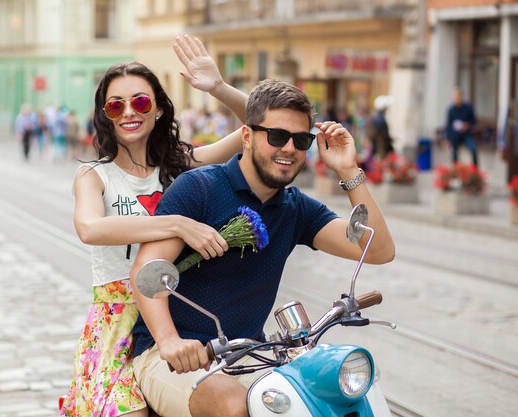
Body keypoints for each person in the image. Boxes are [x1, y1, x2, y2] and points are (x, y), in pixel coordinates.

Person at [130, 79, 396, 417]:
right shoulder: (199, 188)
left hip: (250, 355)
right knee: (233, 405)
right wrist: (169, 340)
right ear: (247, 136)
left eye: (301, 141)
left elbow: (378, 250)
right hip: (171, 357)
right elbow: (146, 270)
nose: (289, 148)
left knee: (329, 397)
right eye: (276, 136)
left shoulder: (295, 208)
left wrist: (348, 169)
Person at [59, 34, 249, 417]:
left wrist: (218, 87)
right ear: (105, 115)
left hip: (176, 315)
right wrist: (177, 224)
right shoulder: (95, 175)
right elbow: (90, 229)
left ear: (159, 109)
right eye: (116, 105)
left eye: (141, 101)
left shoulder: (181, 163)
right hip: (116, 322)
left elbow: (257, 127)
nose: (129, 112)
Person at [445, 86, 478, 167]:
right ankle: (455, 169)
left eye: (458, 96)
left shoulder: (468, 108)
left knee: (473, 149)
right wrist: (447, 138)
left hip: (466, 134)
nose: (456, 98)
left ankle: (475, 169)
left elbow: (473, 121)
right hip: (455, 135)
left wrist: (467, 125)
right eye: (454, 96)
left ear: (462, 97)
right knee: (453, 151)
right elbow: (448, 125)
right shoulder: (451, 110)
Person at [368, 95, 394, 160]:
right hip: (380, 147)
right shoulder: (379, 118)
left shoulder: (377, 117)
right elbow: (382, 135)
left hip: (379, 146)